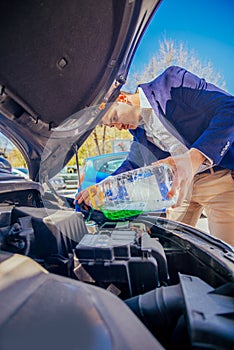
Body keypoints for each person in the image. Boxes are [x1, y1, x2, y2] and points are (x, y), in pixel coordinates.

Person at [76, 66, 234, 246]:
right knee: (172, 249)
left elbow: (230, 109)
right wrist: (99, 189)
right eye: (113, 126)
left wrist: (193, 159)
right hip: (179, 190)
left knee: (225, 255)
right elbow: (131, 165)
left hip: (219, 180)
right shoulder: (140, 135)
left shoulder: (172, 82)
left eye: (113, 119)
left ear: (122, 98)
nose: (118, 127)